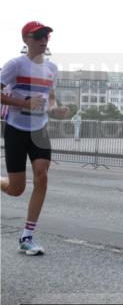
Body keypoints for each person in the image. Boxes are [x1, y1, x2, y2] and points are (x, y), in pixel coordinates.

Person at [1, 21, 69, 256]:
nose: (43, 40)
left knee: (42, 175)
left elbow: (50, 97)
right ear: (26, 39)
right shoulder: (15, 65)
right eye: (38, 36)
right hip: (16, 129)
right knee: (16, 189)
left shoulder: (52, 68)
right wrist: (23, 103)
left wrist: (55, 109)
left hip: (39, 129)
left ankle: (27, 236)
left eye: (46, 37)